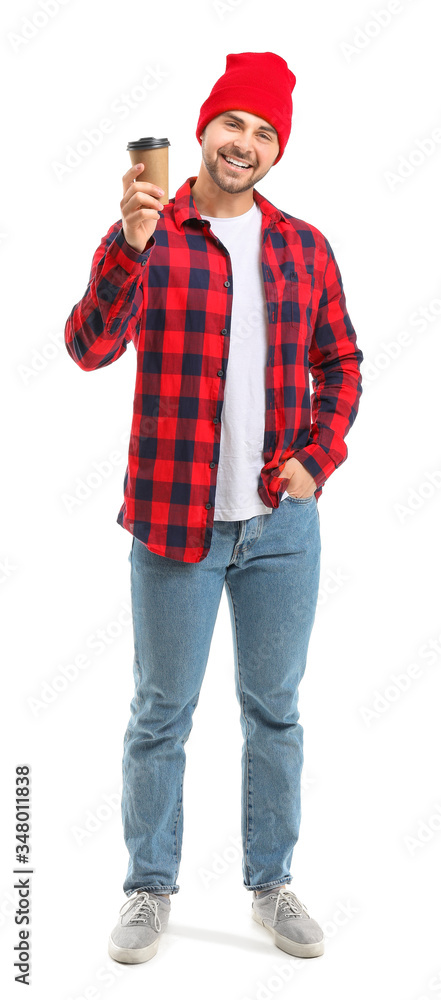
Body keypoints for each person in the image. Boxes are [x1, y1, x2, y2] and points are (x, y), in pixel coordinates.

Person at [65, 50, 363, 965]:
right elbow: (85, 347)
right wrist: (128, 247)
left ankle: (269, 884)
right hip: (172, 524)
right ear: (203, 128)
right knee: (161, 711)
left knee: (274, 712)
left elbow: (340, 364)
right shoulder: (150, 233)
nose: (246, 141)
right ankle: (148, 888)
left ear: (277, 151)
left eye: (265, 131)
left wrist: (319, 457)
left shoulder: (301, 246)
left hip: (280, 530)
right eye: (234, 121)